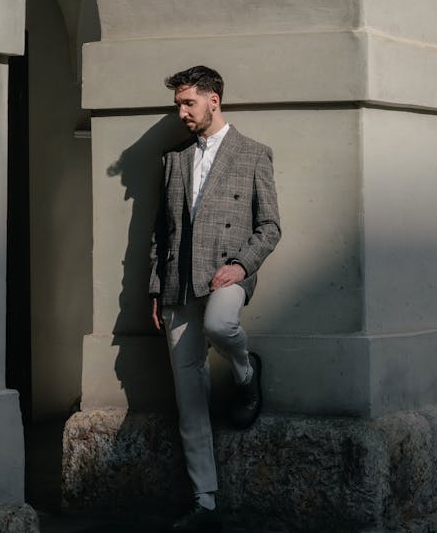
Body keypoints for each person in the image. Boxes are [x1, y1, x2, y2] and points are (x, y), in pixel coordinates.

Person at [149, 65, 281, 532]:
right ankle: (205, 502)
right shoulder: (174, 159)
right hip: (178, 285)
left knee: (220, 327)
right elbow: (161, 232)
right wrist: (156, 287)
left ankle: (246, 371)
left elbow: (270, 227)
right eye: (178, 105)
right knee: (189, 398)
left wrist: (242, 266)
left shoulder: (253, 154)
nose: (182, 112)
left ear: (214, 100)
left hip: (228, 276)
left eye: (189, 103)